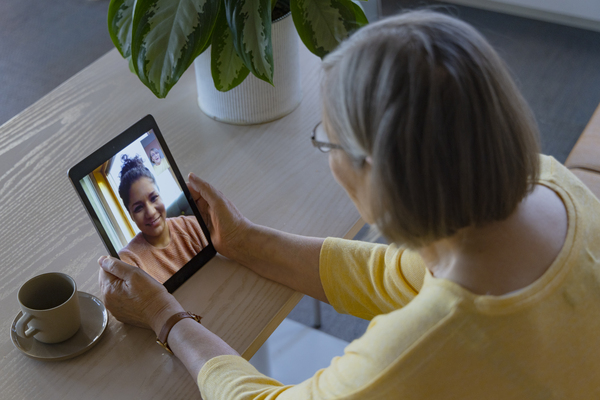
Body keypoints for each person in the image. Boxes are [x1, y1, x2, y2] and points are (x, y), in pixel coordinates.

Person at [98, 10, 600, 399]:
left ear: (381, 174)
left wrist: (167, 317)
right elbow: (396, 273)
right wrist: (248, 241)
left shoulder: (417, 351)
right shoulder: (553, 183)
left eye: (327, 142)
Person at [117, 155, 208, 283]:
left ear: (161, 194)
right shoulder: (129, 260)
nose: (151, 212)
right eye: (138, 208)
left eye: (153, 198)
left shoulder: (192, 226)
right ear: (131, 215)